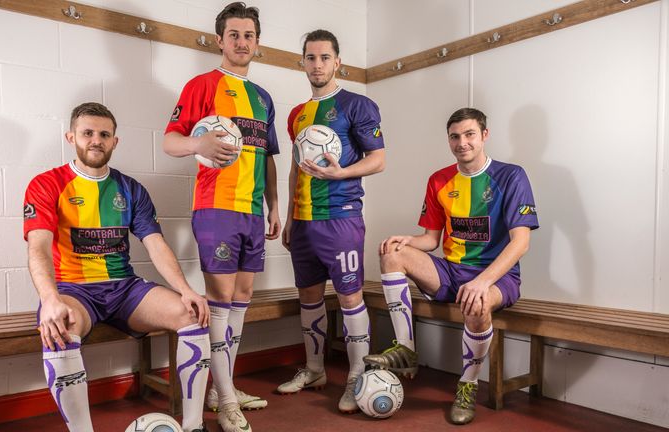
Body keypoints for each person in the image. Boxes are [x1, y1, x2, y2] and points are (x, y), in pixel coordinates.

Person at [24, 102, 210, 432]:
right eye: (87, 133)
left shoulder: (131, 189)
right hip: (72, 290)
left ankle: (194, 426)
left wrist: (186, 290)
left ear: (114, 141)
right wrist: (50, 299)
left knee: (192, 313)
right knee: (59, 330)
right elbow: (37, 247)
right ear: (71, 137)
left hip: (124, 288)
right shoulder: (47, 184)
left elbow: (156, 244)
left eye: (104, 134)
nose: (96, 140)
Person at [366, 107, 539, 425]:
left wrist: (484, 282)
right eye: (455, 136)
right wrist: (406, 240)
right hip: (451, 270)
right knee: (392, 254)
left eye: (470, 134)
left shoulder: (511, 176)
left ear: (484, 135)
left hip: (499, 278)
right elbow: (431, 239)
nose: (462, 142)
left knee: (477, 301)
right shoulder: (439, 179)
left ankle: (467, 385)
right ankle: (405, 349)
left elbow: (521, 242)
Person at [162, 3, 280, 431]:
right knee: (220, 301)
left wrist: (274, 205)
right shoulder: (201, 85)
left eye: (248, 35)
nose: (242, 42)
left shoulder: (264, 98)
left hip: (252, 211)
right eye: (234, 34)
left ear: (257, 42)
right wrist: (199, 145)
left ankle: (220, 387)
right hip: (215, 209)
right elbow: (170, 142)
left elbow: (267, 157)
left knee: (242, 299)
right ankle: (227, 398)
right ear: (220, 40)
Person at [275, 29, 385, 414]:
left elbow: (378, 159)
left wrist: (340, 175)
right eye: (310, 57)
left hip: (341, 219)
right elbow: (294, 170)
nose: (317, 64)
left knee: (350, 297)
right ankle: (315, 369)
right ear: (302, 62)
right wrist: (290, 216)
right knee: (308, 296)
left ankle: (356, 377)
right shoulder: (297, 115)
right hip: (304, 222)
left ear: (338, 62)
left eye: (325, 58)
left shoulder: (358, 104)